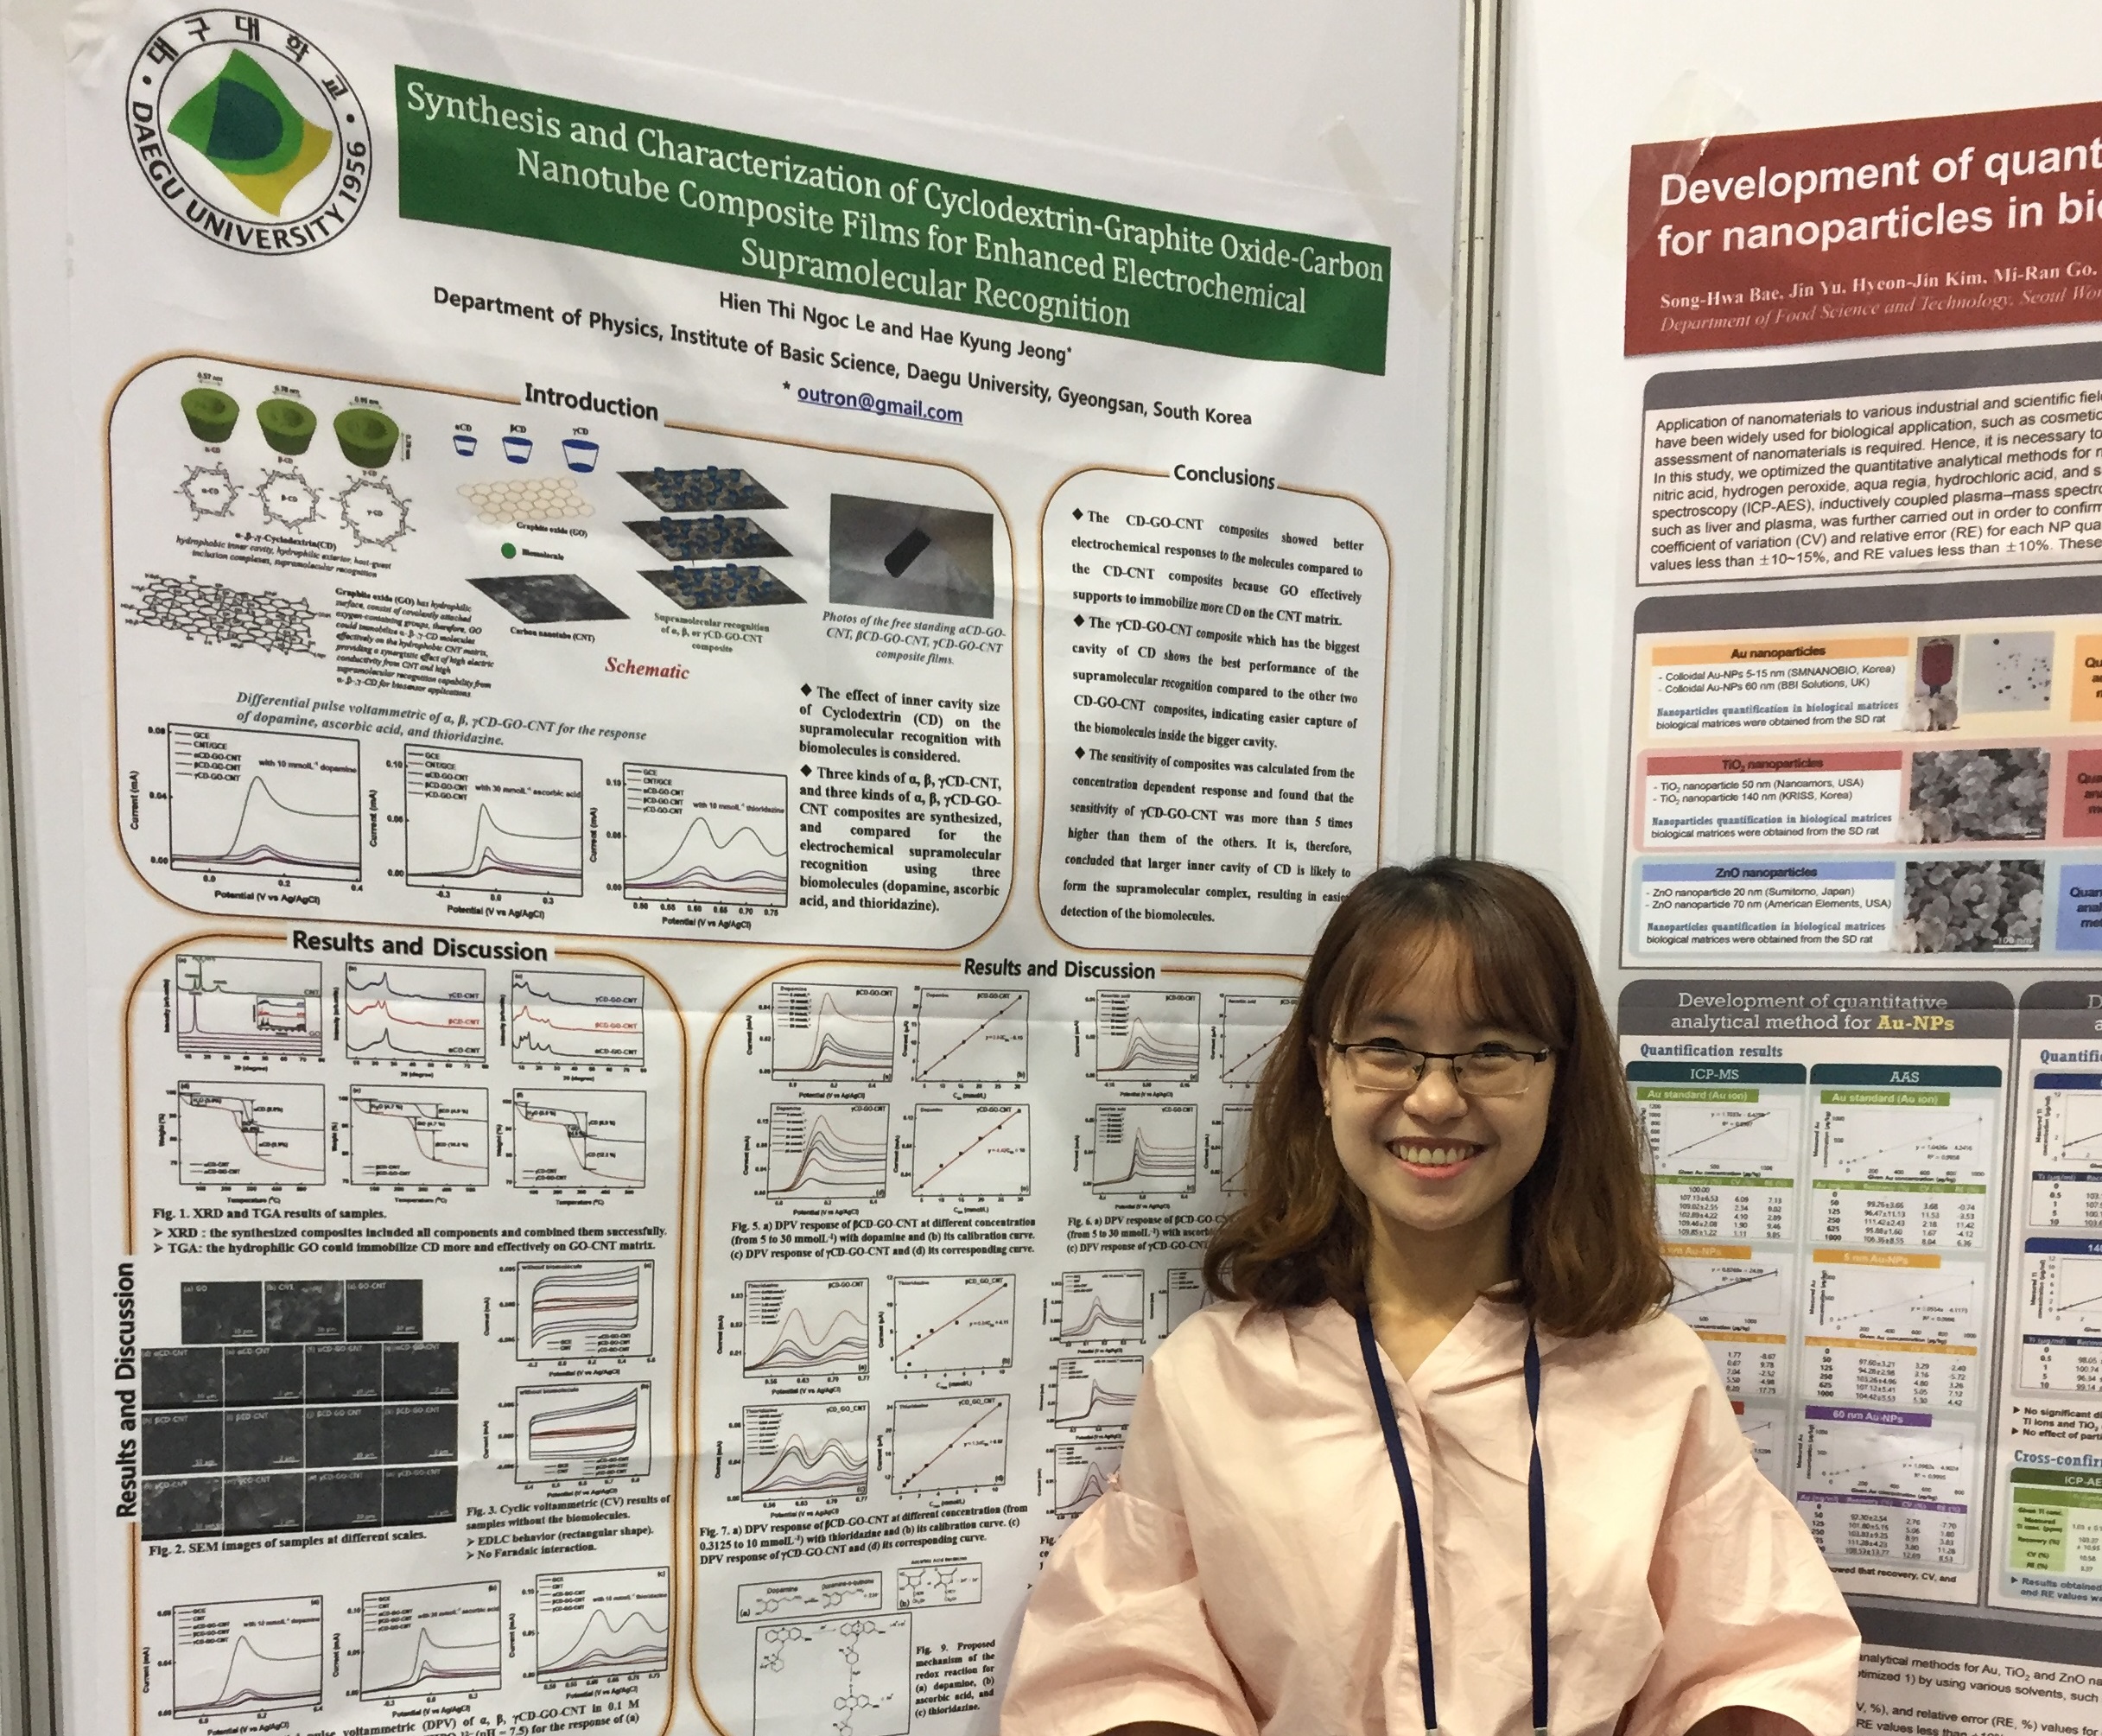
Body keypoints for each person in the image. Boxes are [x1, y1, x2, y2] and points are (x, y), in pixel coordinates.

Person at [1001, 859, 1858, 1736]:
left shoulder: (1653, 1373)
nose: (1437, 1097)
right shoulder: (1209, 1380)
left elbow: (1754, 1662)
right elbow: (1128, 1674)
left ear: (1558, 1079)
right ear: (1324, 1071)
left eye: (1492, 1051)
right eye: (1386, 1046)